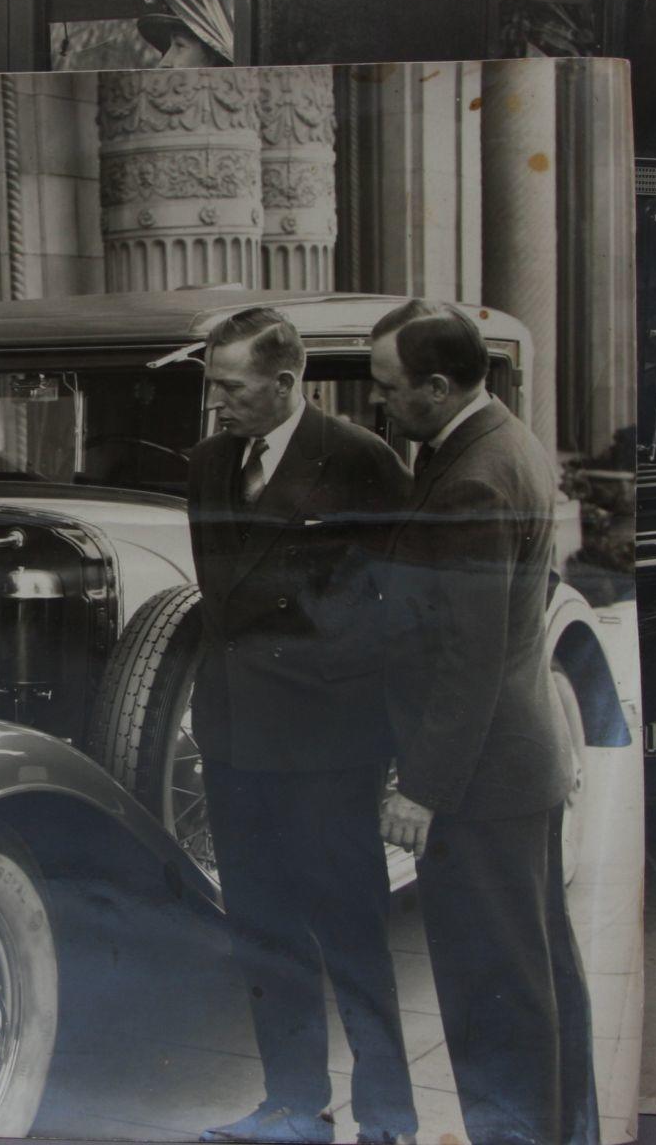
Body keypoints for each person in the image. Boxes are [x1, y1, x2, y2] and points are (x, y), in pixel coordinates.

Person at [369, 300, 598, 1145]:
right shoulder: (499, 441)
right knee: (536, 983)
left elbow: (470, 654)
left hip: (481, 778)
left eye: (389, 388)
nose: (378, 403)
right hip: (511, 763)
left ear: (436, 385)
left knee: (491, 991)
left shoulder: (471, 477)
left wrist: (423, 790)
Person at [187, 307, 417, 1145]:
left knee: (350, 932)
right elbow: (221, 601)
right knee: (262, 932)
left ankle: (389, 1116)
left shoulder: (362, 461)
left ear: (286, 383)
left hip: (329, 745)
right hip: (238, 738)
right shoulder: (210, 462)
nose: (218, 404)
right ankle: (291, 1107)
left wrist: (397, 757)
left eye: (232, 387)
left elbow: (404, 612)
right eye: (213, 386)